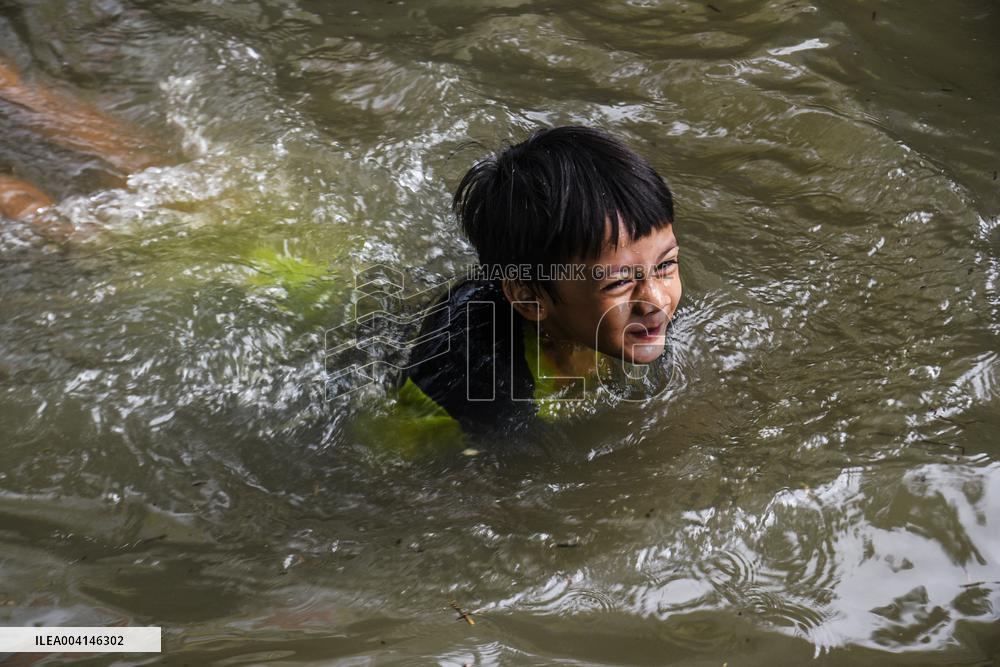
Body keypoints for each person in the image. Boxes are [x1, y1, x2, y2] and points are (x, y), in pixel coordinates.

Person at [393, 126, 682, 442]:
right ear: (530, 299)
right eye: (619, 283)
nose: (656, 299)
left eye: (666, 264)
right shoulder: (477, 384)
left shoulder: (643, 303)